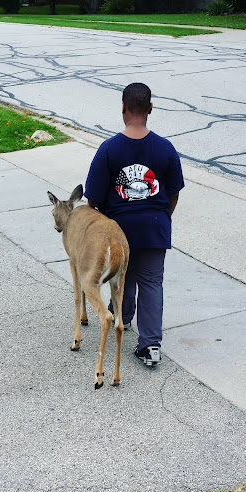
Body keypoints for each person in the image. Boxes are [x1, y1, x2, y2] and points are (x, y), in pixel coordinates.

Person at [84, 82, 184, 367]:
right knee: (151, 282)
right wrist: (162, 217)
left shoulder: (109, 149)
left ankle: (121, 319)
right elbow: (173, 192)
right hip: (155, 226)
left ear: (124, 108)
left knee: (121, 277)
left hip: (119, 229)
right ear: (150, 109)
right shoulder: (165, 148)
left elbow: (92, 199)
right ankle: (150, 345)